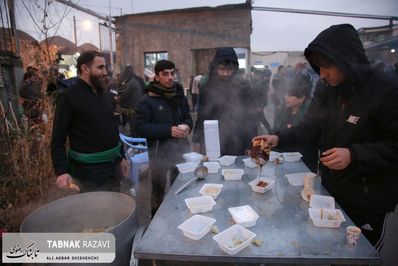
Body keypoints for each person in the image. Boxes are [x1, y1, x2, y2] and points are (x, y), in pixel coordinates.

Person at [253, 24, 398, 250]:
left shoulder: (384, 90)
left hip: (369, 199)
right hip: (331, 192)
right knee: (329, 250)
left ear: (348, 60)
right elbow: (309, 127)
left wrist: (354, 154)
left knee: (360, 255)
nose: (323, 74)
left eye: (328, 66)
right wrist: (278, 137)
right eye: (319, 67)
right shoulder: (326, 89)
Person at [51, 50, 129, 192]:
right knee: (94, 213)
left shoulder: (106, 96)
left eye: (105, 67)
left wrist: (121, 157)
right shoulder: (68, 97)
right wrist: (61, 171)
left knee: (114, 211)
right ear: (85, 69)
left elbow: (113, 130)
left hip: (113, 168)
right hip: (87, 173)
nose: (105, 72)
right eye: (100, 67)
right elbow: (58, 138)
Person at [134, 59, 192, 215]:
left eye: (172, 73)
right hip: (158, 153)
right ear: (157, 77)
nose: (170, 77)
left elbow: (188, 117)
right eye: (165, 74)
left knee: (180, 186)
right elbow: (140, 128)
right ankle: (156, 220)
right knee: (158, 189)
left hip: (180, 150)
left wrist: (187, 126)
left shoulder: (179, 96)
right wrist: (168, 130)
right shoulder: (147, 100)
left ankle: (179, 215)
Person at [192, 47, 257, 155]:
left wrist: (250, 145)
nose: (226, 74)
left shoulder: (244, 87)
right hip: (213, 138)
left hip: (238, 138)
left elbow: (251, 117)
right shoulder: (207, 86)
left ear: (235, 69)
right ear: (215, 68)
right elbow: (202, 115)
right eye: (222, 69)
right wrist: (197, 139)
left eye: (229, 70)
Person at [273, 73, 318, 172]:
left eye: (290, 95)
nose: (286, 97)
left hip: (303, 161)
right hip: (282, 158)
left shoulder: (309, 114)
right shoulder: (283, 111)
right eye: (285, 94)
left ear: (302, 98)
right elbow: (275, 130)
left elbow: (307, 138)